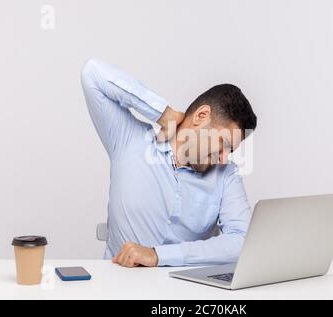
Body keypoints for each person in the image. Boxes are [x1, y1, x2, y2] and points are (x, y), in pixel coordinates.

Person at [80, 59, 257, 267]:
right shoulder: (130, 139)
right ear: (201, 116)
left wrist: (158, 255)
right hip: (121, 285)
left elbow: (242, 241)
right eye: (223, 143)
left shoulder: (226, 173)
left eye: (230, 150)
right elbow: (92, 73)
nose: (224, 157)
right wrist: (163, 113)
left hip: (185, 290)